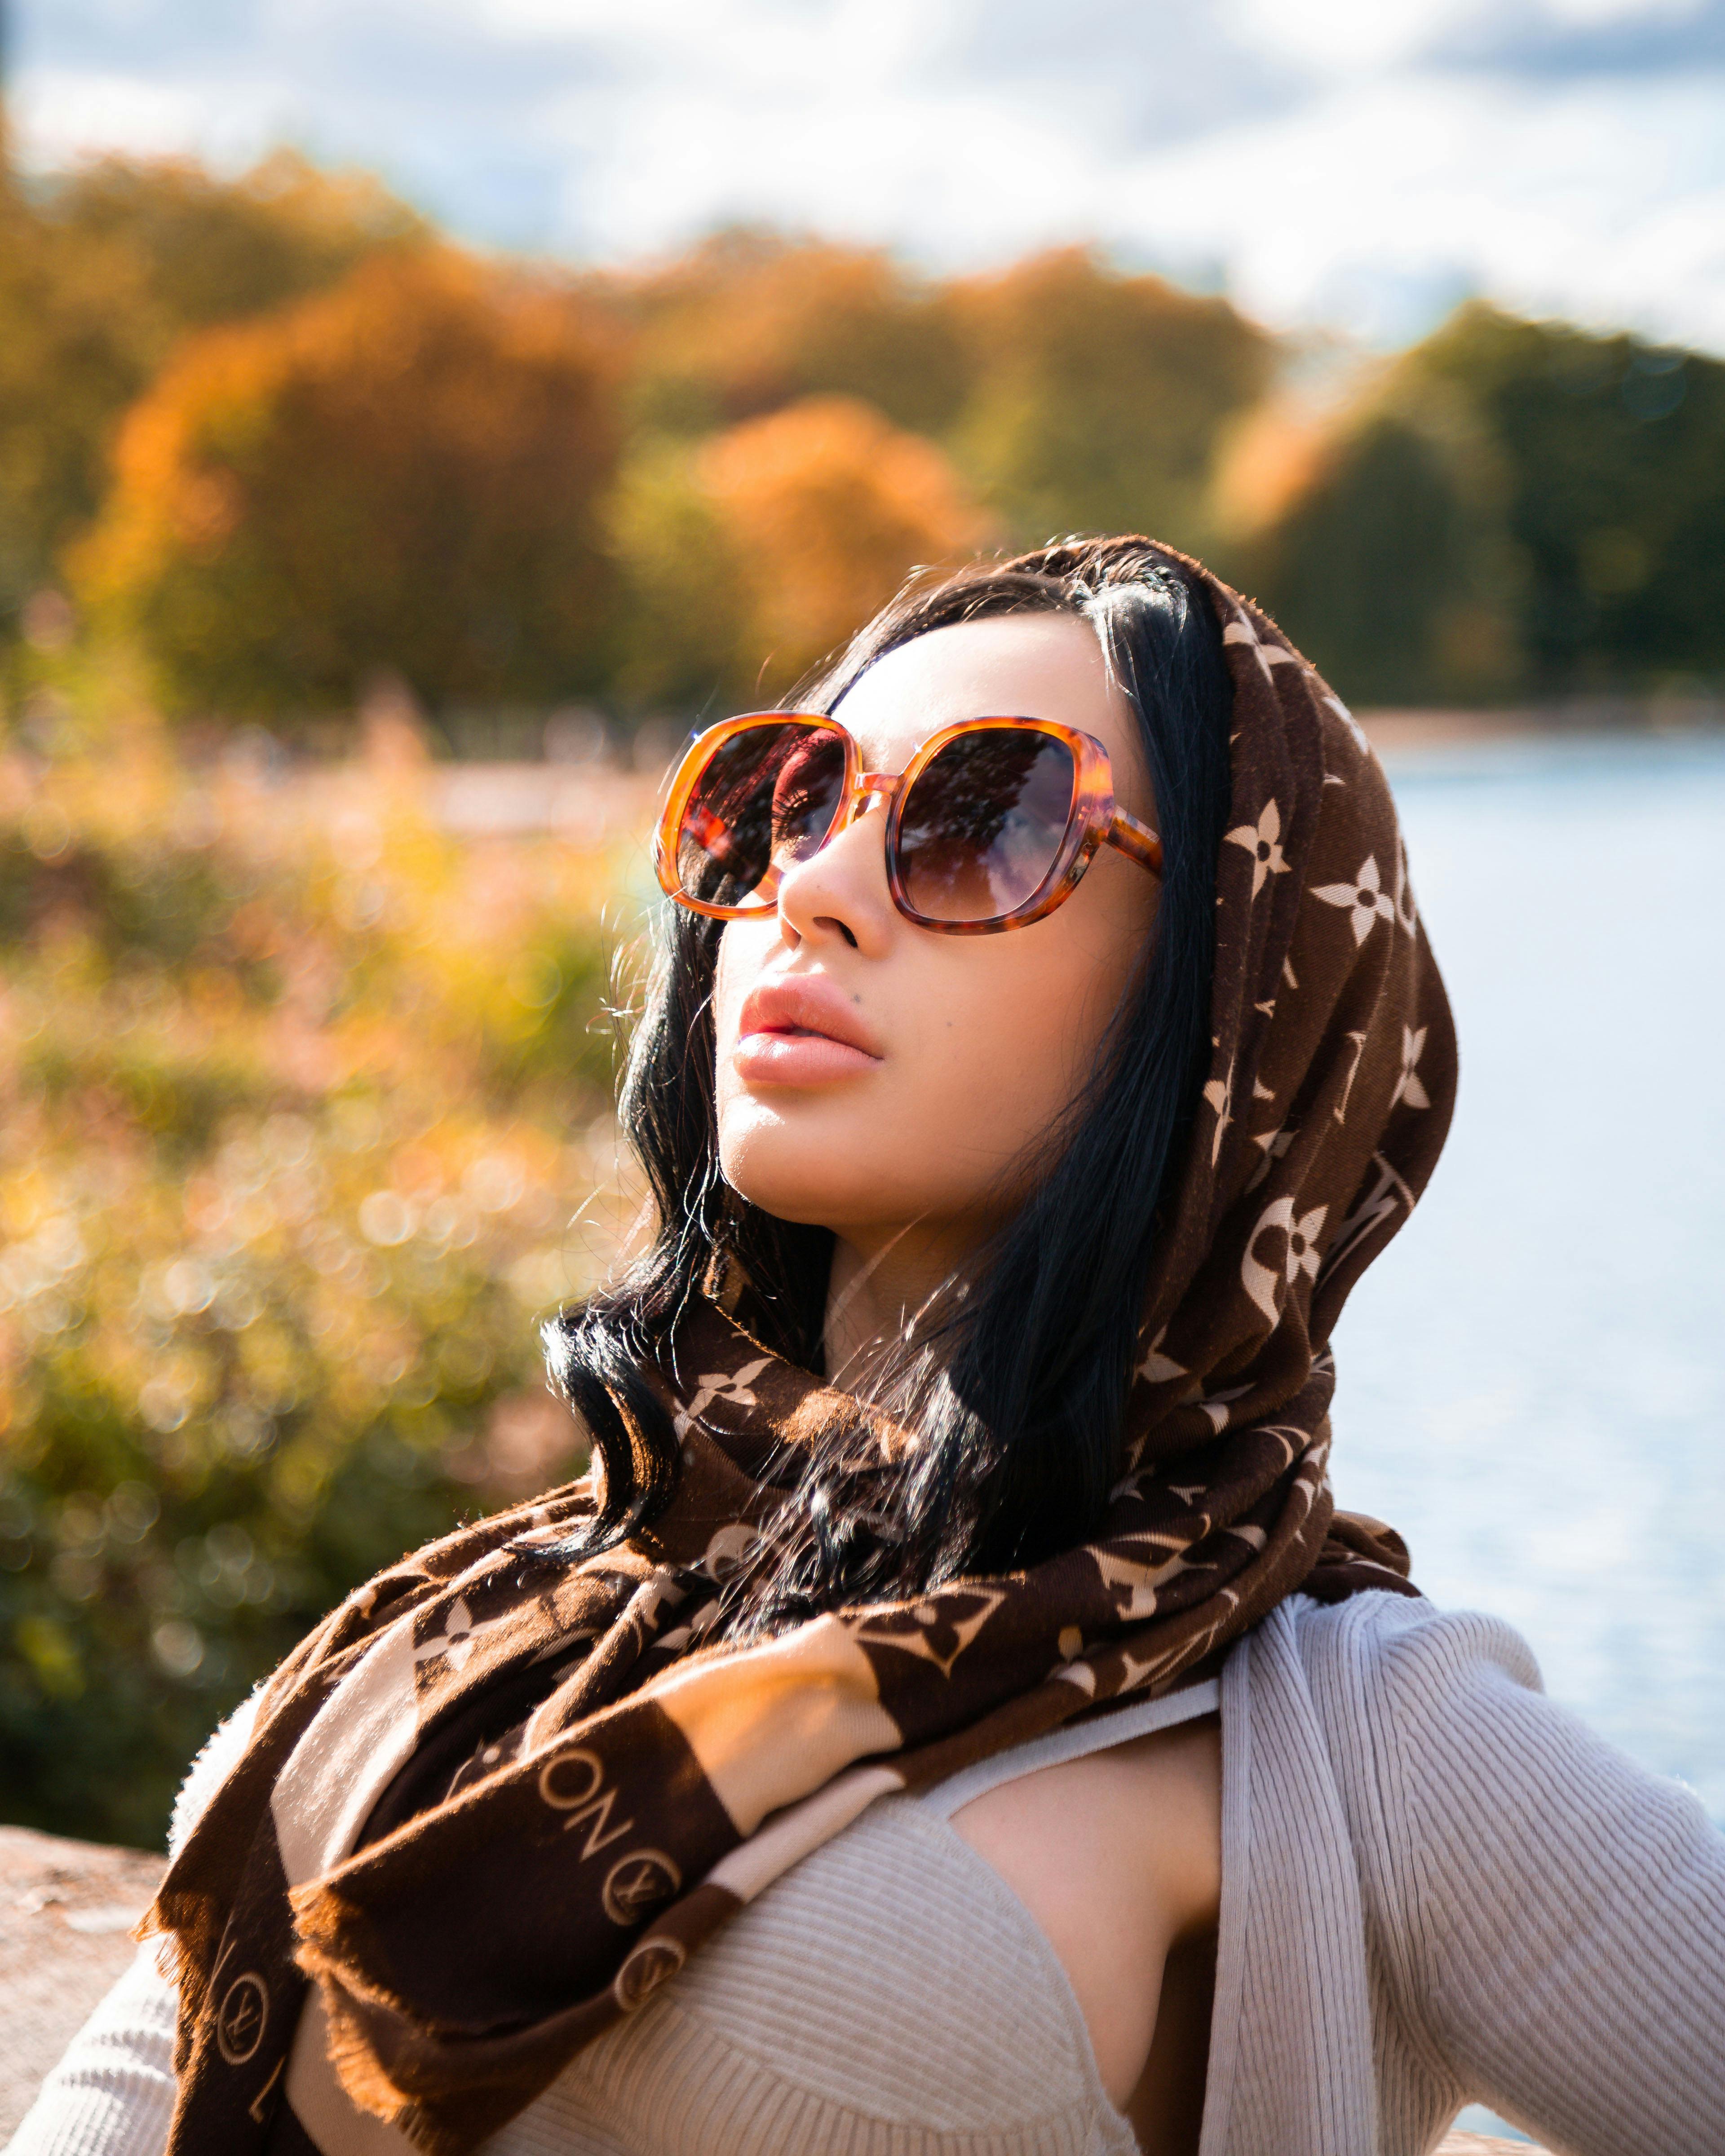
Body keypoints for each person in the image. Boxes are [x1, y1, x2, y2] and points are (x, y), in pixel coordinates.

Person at [10, 537, 1725, 2156]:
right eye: (789, 801)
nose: (812, 886)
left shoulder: (1360, 1729)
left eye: (985, 817)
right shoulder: (528, 1604)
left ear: (1233, 1001)